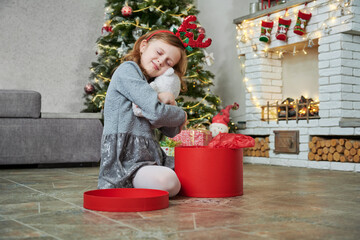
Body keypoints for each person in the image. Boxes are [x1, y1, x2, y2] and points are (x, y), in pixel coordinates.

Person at [97, 30, 188, 197]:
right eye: (159, 52)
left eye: (169, 63)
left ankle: (146, 182)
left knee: (195, 169)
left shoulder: (151, 86)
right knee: (169, 182)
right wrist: (181, 114)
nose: (161, 61)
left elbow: (171, 130)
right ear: (143, 46)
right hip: (126, 162)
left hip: (150, 156)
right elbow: (156, 112)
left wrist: (170, 101)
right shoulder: (127, 70)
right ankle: (127, 184)